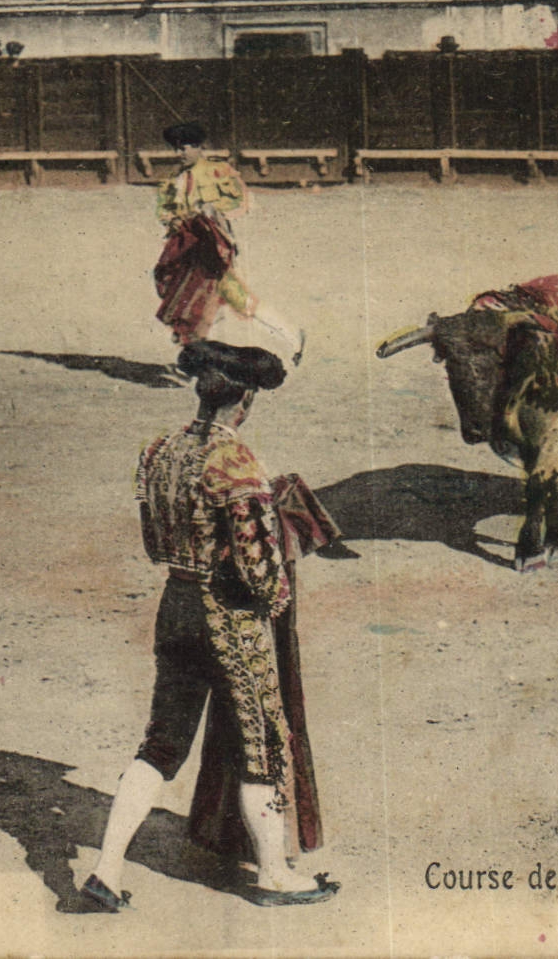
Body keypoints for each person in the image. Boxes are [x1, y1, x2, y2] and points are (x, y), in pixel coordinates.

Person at [82, 339, 338, 911]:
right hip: (227, 615)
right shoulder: (237, 461)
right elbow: (256, 560)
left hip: (174, 602)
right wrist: (273, 600)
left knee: (163, 741)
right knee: (261, 742)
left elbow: (154, 543)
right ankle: (274, 873)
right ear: (243, 401)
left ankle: (106, 868)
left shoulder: (158, 452)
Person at [153, 121, 304, 363]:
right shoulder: (174, 180)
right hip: (187, 253)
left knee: (229, 297)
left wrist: (214, 211)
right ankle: (199, 354)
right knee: (196, 299)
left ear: (199, 148)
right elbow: (164, 212)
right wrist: (172, 220)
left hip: (213, 250)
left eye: (185, 147)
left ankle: (292, 335)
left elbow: (242, 202)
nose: (180, 153)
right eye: (177, 148)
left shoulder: (216, 171)